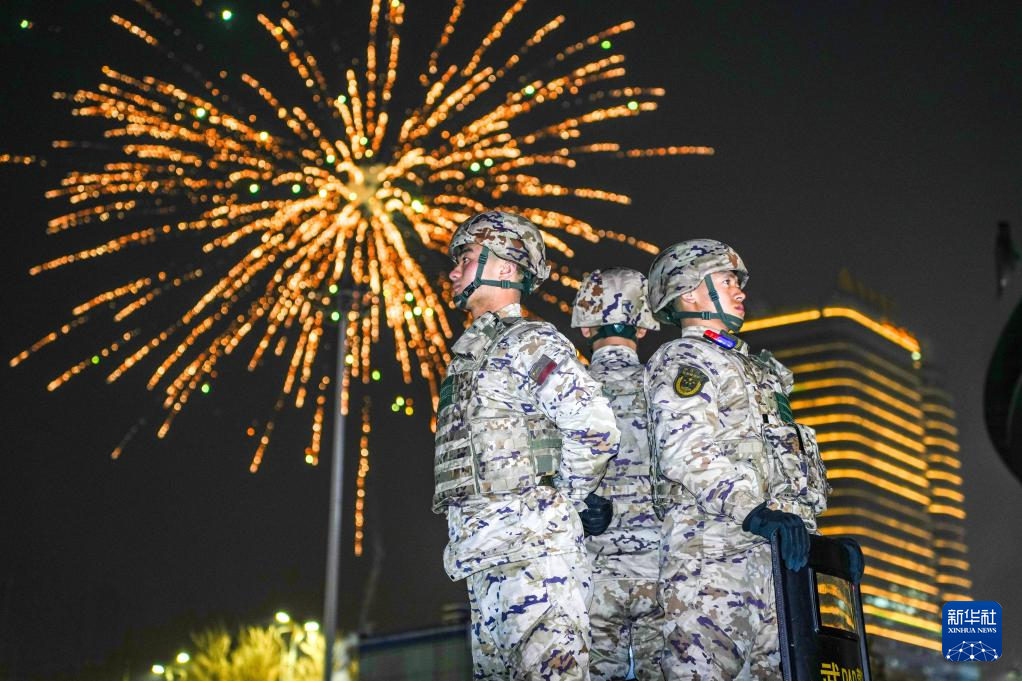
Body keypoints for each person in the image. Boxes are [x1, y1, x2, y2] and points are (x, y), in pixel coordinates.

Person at [433, 210, 620, 680]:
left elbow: (595, 425)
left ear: (505, 266)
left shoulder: (526, 342)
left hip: (535, 559)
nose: (454, 272)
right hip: (485, 560)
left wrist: (565, 499)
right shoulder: (472, 355)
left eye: (466, 258)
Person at [643, 239, 831, 680]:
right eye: (727, 281)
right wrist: (753, 512)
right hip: (712, 557)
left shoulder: (757, 371)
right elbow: (684, 448)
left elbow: (784, 466)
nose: (740, 291)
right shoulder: (685, 358)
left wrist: (822, 547)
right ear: (690, 293)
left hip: (772, 563)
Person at [570, 268, 664, 681]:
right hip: (660, 570)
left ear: (585, 326)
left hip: (591, 575)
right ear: (642, 328)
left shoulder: (567, 390)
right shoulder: (663, 385)